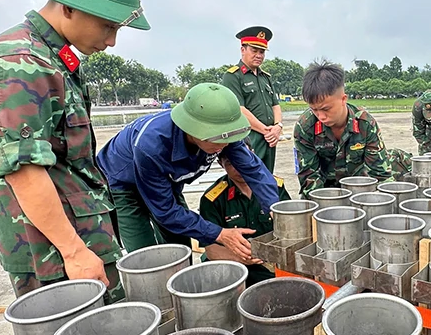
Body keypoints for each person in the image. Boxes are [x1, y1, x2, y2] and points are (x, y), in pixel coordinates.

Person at [0, 0, 149, 299]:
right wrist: (73, 250)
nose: (111, 41)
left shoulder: (55, 60)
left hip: (79, 236)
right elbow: (24, 168)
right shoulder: (21, 62)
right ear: (68, 7)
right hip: (54, 252)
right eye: (108, 26)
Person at [96, 82, 280, 259]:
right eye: (216, 140)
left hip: (165, 182)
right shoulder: (151, 145)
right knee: (145, 253)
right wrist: (220, 234)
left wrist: (275, 210)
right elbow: (166, 211)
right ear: (193, 129)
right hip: (123, 185)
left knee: (179, 247)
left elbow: (254, 170)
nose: (223, 146)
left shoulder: (223, 136)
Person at [293, 60, 408, 193]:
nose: (321, 116)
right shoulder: (305, 127)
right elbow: (309, 177)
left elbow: (380, 174)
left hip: (360, 187)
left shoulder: (365, 124)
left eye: (326, 109)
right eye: (314, 110)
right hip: (325, 191)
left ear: (343, 99)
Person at [199, 152, 291, 284]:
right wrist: (243, 257)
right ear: (221, 164)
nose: (239, 167)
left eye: (242, 159)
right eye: (231, 163)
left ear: (252, 155)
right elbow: (212, 251)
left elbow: (292, 230)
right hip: (232, 264)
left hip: (270, 262)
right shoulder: (213, 199)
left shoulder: (274, 187)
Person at [219, 26, 283, 172]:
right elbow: (239, 109)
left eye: (262, 52)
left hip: (269, 139)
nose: (258, 55)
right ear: (243, 49)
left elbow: (275, 105)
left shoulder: (265, 77)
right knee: (249, 178)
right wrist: (266, 131)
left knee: (267, 177)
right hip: (249, 138)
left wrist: (278, 126)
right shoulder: (233, 76)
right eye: (254, 50)